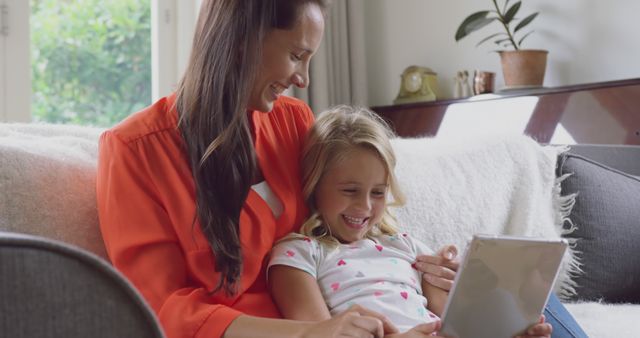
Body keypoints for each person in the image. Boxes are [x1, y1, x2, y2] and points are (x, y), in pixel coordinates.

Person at [95, 0, 586, 337]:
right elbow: (161, 310)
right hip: (302, 329)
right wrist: (312, 331)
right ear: (240, 40)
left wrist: (426, 273)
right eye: (296, 55)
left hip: (355, 322)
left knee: (532, 313)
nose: (304, 79)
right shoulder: (134, 151)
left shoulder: (291, 124)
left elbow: (346, 224)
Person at [268, 106, 451, 337]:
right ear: (314, 186)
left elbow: (451, 319)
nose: (364, 206)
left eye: (377, 193)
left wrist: (449, 273)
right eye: (350, 190)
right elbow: (316, 334)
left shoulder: (405, 246)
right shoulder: (299, 254)